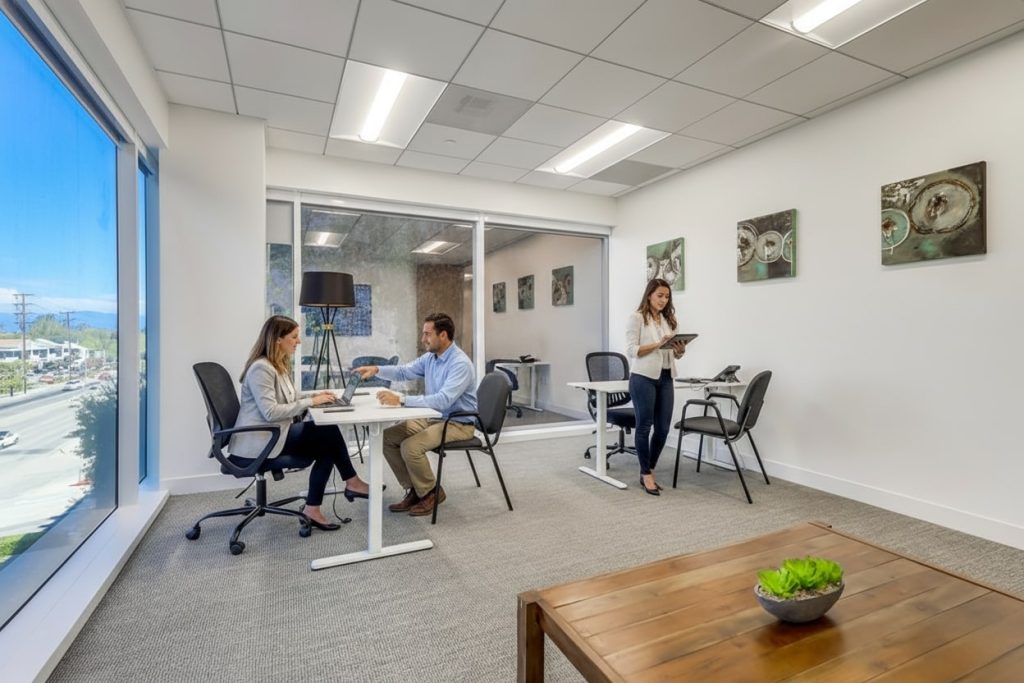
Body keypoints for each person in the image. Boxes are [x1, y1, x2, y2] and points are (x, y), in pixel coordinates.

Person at [232, 315, 369, 530]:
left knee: (327, 443)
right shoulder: (262, 368)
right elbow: (270, 412)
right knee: (327, 433)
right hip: (262, 440)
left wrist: (315, 395)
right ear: (278, 339)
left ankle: (315, 507)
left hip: (275, 432)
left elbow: (290, 396)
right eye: (294, 337)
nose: (299, 341)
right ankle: (350, 482)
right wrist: (311, 402)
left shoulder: (277, 365)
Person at [354, 312, 477, 517]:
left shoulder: (459, 364)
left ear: (443, 335)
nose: (423, 339)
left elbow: (443, 400)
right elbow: (403, 371)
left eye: (427, 334)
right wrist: (376, 369)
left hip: (457, 422)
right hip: (433, 417)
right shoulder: (431, 358)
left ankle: (430, 492)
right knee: (386, 438)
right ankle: (415, 490)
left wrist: (401, 400)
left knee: (410, 447)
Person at [625, 278, 686, 496]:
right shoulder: (637, 318)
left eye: (667, 296)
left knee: (662, 429)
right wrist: (659, 344)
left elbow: (675, 353)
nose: (663, 300)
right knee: (644, 426)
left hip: (666, 376)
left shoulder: (670, 320)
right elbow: (632, 350)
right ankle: (646, 473)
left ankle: (648, 468)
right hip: (643, 377)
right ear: (649, 294)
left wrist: (679, 349)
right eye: (659, 295)